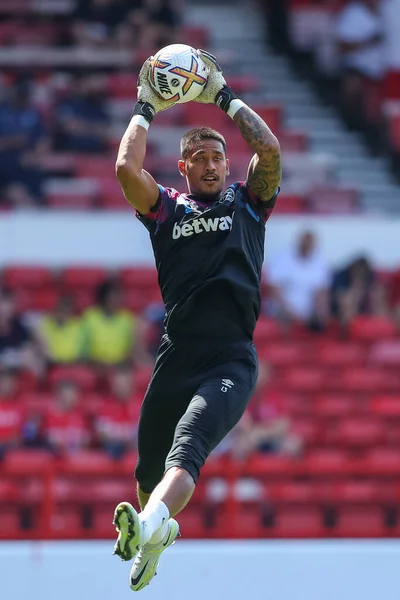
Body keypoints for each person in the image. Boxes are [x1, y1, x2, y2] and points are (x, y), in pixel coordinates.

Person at [113, 49, 281, 591]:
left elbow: (270, 150)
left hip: (229, 357)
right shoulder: (166, 210)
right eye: (200, 159)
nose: (212, 165)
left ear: (227, 166)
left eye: (218, 158)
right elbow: (123, 169)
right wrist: (146, 105)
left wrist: (224, 97)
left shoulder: (248, 204)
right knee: (147, 474)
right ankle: (154, 532)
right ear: (183, 168)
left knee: (185, 453)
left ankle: (149, 525)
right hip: (177, 354)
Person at [264, 231, 330, 329]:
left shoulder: (320, 262)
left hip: (307, 316)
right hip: (282, 310)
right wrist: (291, 311)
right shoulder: (282, 258)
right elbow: (273, 290)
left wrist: (318, 311)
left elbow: (322, 292)